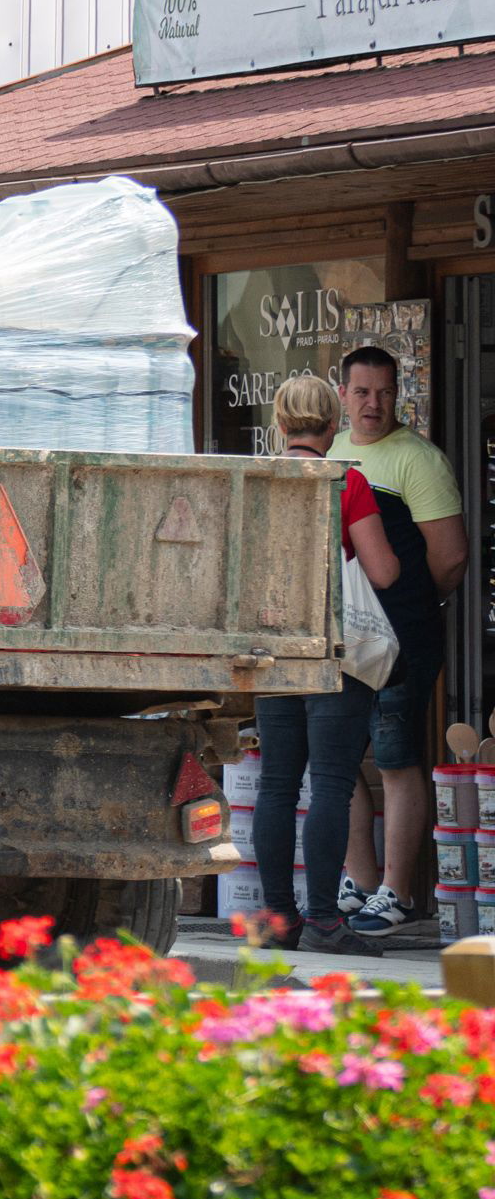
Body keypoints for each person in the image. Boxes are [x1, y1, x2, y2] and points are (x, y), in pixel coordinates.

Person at [251, 375, 402, 954]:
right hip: (335, 653)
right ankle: (323, 920)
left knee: (276, 786)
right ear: (334, 424)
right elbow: (382, 571)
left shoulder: (257, 481)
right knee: (331, 787)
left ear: (280, 424)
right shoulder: (346, 480)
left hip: (271, 651)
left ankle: (277, 919)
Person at [332, 345, 467, 941]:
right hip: (341, 635)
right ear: (342, 395)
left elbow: (451, 558)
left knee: (395, 756)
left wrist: (413, 603)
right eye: (362, 392)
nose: (374, 404)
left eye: (385, 392)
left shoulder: (419, 460)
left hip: (403, 636)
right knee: (338, 756)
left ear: (399, 394)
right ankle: (359, 880)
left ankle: (399, 891)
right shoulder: (333, 451)